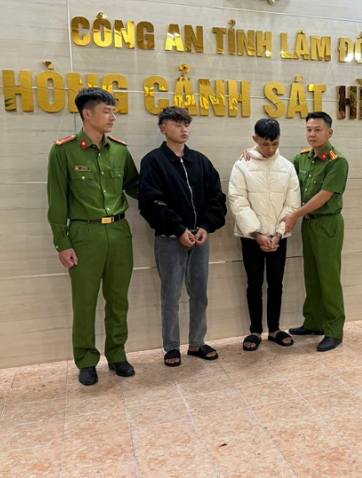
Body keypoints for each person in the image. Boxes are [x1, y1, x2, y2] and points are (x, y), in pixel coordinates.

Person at [47, 87, 139, 386]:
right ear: (87, 114)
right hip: (84, 233)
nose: (113, 117)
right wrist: (62, 243)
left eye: (114, 111)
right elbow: (57, 201)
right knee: (84, 302)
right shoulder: (64, 151)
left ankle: (117, 354)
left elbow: (136, 187)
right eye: (107, 111)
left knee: (118, 300)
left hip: (118, 231)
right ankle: (86, 360)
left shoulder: (121, 151)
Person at [138, 106, 227, 367]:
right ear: (163, 128)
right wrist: (179, 230)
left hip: (199, 238)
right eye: (177, 124)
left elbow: (216, 198)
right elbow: (150, 203)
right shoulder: (153, 161)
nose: (184, 128)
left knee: (199, 292)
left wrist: (206, 227)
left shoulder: (200, 161)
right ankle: (171, 346)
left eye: (186, 124)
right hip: (170, 239)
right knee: (171, 293)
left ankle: (197, 342)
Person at [228, 118, 301, 351]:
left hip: (279, 237)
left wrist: (278, 233)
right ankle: (255, 331)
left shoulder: (288, 167)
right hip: (252, 237)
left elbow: (292, 203)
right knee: (254, 284)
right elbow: (238, 201)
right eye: (265, 144)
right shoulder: (242, 165)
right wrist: (257, 233)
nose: (270, 149)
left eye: (275, 144)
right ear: (255, 140)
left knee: (276, 284)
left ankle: (276, 329)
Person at [283, 112, 349, 352]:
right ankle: (313, 322)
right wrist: (252, 153)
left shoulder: (336, 161)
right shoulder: (302, 158)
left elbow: (324, 196)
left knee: (329, 278)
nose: (312, 134)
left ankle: (334, 330)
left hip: (328, 224)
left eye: (317, 130)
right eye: (309, 129)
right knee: (312, 274)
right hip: (309, 223)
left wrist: (294, 215)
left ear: (329, 132)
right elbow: (280, 168)